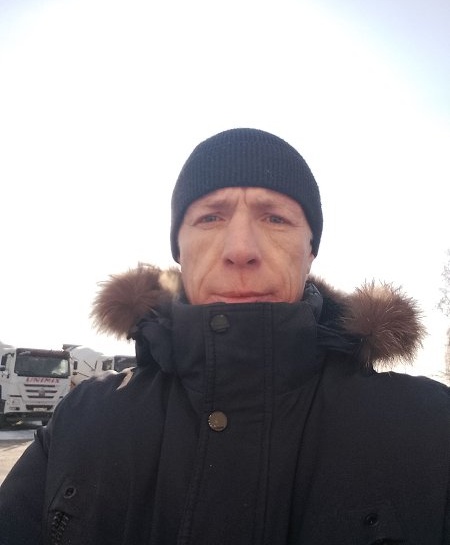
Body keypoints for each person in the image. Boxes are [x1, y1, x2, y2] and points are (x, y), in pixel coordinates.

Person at [0, 128, 449, 545]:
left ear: (310, 250)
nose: (240, 249)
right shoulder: (82, 420)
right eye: (210, 217)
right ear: (179, 249)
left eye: (275, 218)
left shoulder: (430, 428)